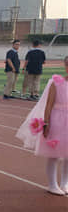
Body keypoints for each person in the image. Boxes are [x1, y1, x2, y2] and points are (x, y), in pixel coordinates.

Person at [16, 55, 68, 195]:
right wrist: (46, 123)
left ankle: (65, 183)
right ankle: (52, 184)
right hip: (57, 119)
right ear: (66, 66)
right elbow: (49, 104)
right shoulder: (56, 82)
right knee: (54, 154)